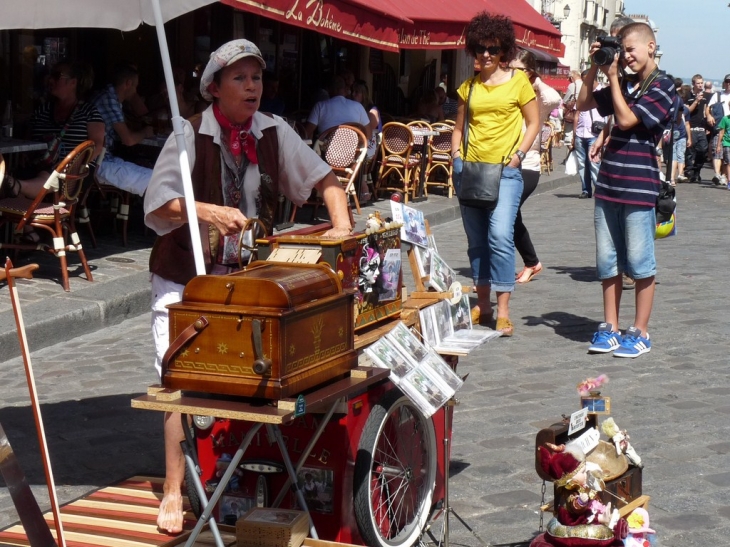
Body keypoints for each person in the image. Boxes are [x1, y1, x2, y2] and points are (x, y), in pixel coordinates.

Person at [143, 38, 353, 534]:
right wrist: (206, 210)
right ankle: (174, 489)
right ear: (214, 89)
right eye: (239, 78)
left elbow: (326, 180)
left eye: (256, 77)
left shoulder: (273, 131)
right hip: (184, 275)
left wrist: (341, 231)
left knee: (256, 371)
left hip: (245, 277)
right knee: (178, 376)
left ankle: (240, 478)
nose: (252, 86)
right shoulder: (188, 134)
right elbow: (157, 206)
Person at [578, 22, 675, 358]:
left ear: (651, 46)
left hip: (638, 187)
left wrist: (615, 79)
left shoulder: (663, 87)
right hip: (607, 185)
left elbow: (628, 120)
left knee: (640, 263)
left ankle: (640, 330)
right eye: (623, 50)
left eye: (631, 49)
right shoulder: (626, 82)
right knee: (607, 262)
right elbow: (583, 103)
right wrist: (595, 68)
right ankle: (610, 327)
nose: (627, 56)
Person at [451, 11, 540, 336]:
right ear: (473, 50)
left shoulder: (518, 82)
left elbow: (534, 123)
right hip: (470, 172)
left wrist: (518, 156)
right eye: (480, 49)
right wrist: (456, 155)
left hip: (505, 174)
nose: (486, 55)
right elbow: (459, 128)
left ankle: (503, 310)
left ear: (504, 50)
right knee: (476, 242)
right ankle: (484, 305)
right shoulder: (468, 88)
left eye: (492, 49)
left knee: (500, 237)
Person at [6, 60, 104, 201]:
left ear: (73, 83)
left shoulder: (88, 112)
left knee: (45, 175)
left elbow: (97, 145)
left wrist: (73, 165)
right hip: (39, 165)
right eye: (51, 75)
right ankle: (23, 212)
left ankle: (18, 186)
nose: (50, 79)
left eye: (57, 76)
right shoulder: (43, 110)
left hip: (73, 173)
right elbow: (28, 139)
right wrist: (25, 155)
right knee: (20, 175)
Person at [509, 50, 560, 284]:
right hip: (507, 162)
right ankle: (531, 262)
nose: (512, 74)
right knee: (509, 214)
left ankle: (529, 262)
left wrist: (535, 82)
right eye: (511, 69)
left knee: (509, 213)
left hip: (528, 164)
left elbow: (555, 100)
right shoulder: (509, 91)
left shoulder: (538, 96)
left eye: (518, 69)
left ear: (528, 72)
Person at [93, 62, 154, 196]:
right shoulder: (108, 100)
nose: (135, 91)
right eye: (135, 86)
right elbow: (128, 140)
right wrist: (146, 132)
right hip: (96, 164)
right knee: (153, 182)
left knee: (157, 177)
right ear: (128, 83)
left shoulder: (110, 97)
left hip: (104, 159)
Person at [573, 70, 607, 199]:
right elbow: (577, 113)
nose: (585, 84)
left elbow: (609, 116)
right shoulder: (583, 94)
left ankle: (598, 189)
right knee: (582, 163)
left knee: (594, 163)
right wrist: (575, 134)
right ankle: (586, 189)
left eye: (587, 81)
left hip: (594, 134)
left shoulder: (603, 92)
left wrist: (606, 135)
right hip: (581, 133)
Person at [304, 76, 371, 140]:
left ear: (329, 90)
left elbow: (306, 133)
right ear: (345, 89)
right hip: (352, 150)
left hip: (326, 150)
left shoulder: (320, 106)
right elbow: (369, 134)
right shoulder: (358, 106)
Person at [351, 80, 381, 201]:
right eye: (353, 91)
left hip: (369, 142)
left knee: (355, 155)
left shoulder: (372, 110)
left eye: (357, 92)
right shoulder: (351, 107)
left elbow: (369, 129)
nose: (353, 94)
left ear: (364, 95)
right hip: (355, 141)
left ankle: (363, 188)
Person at [705, 75, 730, 185]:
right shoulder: (718, 95)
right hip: (719, 125)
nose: (729, 84)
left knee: (727, 156)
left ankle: (724, 175)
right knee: (717, 151)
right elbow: (708, 108)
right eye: (727, 81)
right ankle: (717, 174)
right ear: (724, 83)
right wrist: (709, 116)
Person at [685, 74, 710, 183]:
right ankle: (689, 172)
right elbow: (687, 111)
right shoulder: (688, 95)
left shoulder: (705, 96)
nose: (700, 85)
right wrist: (695, 101)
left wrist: (708, 119)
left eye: (701, 83)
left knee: (703, 150)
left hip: (701, 128)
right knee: (690, 152)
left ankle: (697, 171)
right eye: (698, 83)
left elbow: (705, 111)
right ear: (693, 84)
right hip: (691, 127)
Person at [562, 70, 582, 146]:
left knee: (569, 135)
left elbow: (565, 100)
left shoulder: (572, 85)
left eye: (569, 78)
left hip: (573, 113)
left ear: (572, 77)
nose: (568, 80)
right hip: (583, 113)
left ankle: (571, 153)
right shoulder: (586, 84)